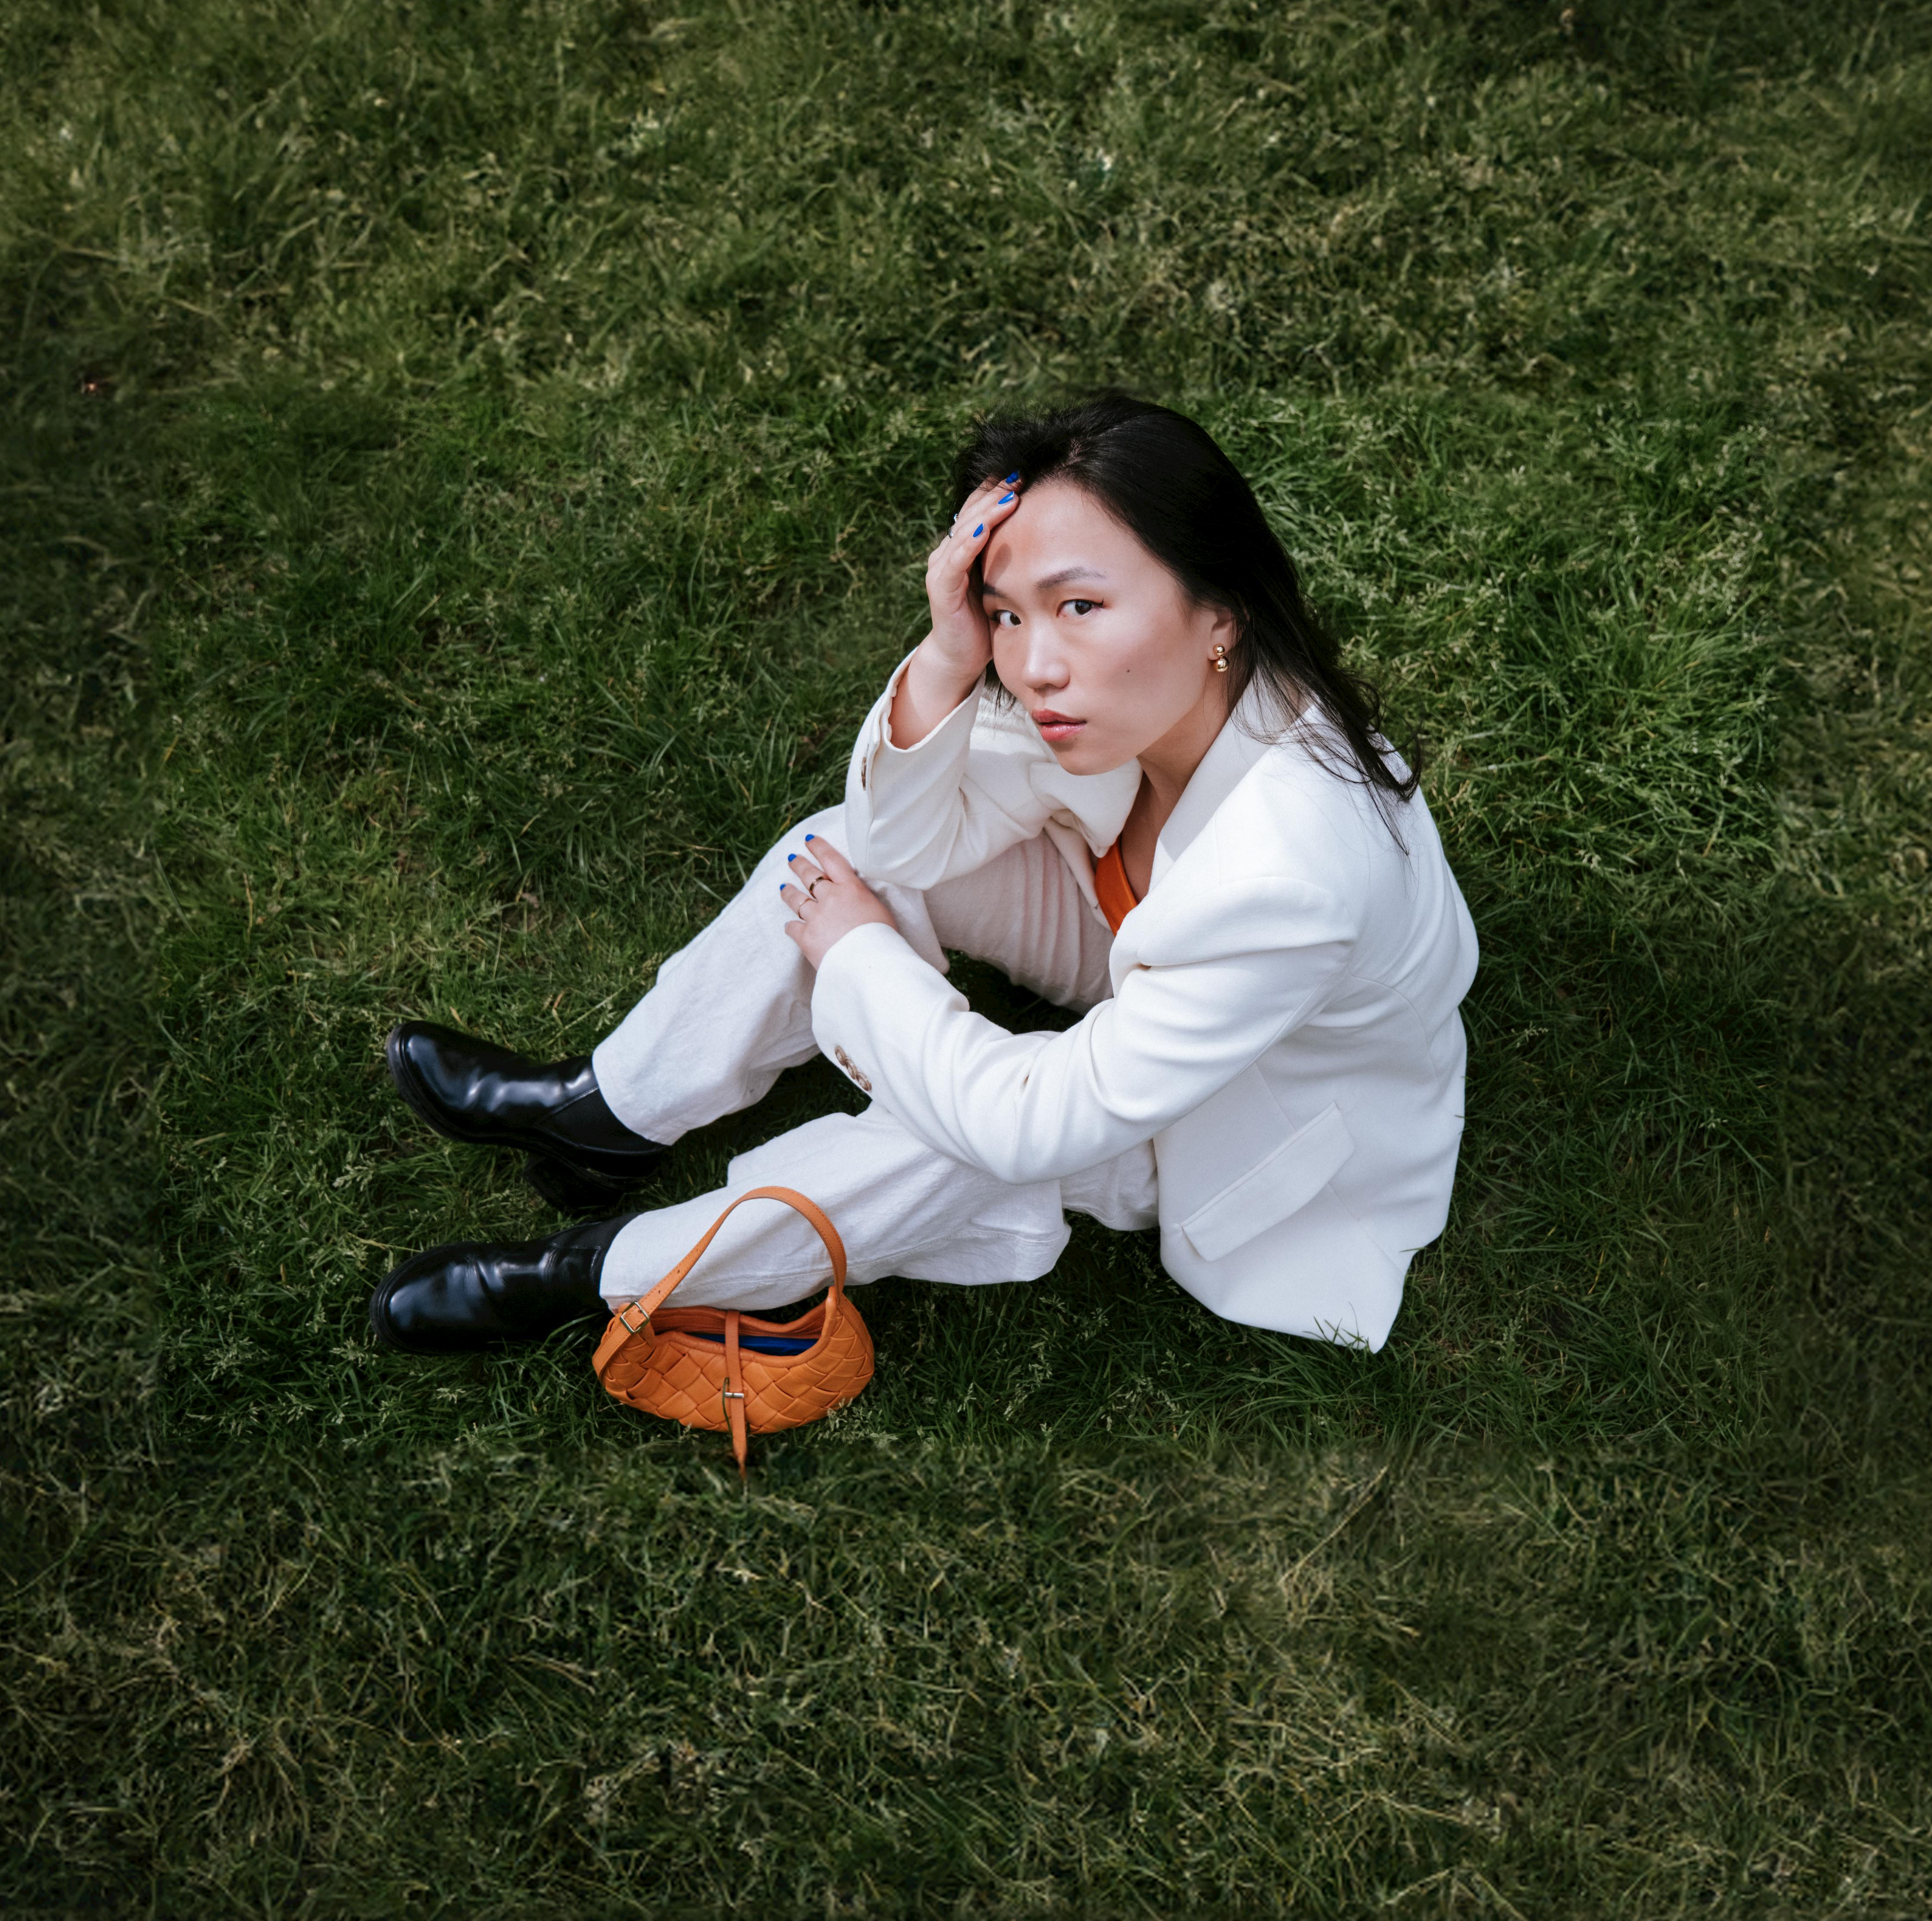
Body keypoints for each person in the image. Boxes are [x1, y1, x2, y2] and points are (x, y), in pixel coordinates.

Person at [369, 392, 1479, 1357]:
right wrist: (951, 654)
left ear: (1218, 609)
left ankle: (603, 1275)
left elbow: (1028, 1125)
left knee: (949, 1138)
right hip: (1138, 946)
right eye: (1007, 613)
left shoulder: (1286, 869)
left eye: (1081, 605)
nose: (1037, 667)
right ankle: (604, 1115)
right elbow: (895, 843)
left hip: (1245, 1108)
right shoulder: (1156, 696)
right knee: (835, 858)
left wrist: (859, 958)